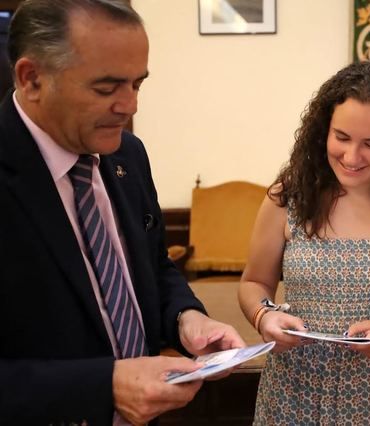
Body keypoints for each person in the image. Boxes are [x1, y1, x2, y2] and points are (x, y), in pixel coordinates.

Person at [0, 1, 245, 424]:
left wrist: (187, 319)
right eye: (106, 88)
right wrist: (104, 386)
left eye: (138, 84)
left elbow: (152, 266)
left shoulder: (127, 156)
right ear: (32, 78)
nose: (130, 106)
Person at [238, 61, 370, 424]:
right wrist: (264, 316)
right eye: (341, 138)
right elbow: (254, 283)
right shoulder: (288, 196)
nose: (352, 157)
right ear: (323, 130)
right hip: (294, 386)